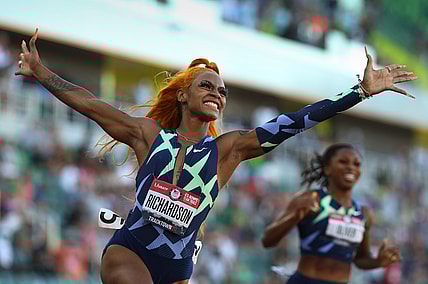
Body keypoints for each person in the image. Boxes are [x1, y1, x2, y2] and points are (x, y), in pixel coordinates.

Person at [15, 29, 416, 284]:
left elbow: (295, 122)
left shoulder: (228, 150)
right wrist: (41, 72)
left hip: (178, 269)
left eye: (223, 91)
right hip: (128, 253)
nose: (217, 93)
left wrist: (359, 93)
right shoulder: (149, 135)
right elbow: (91, 104)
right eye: (208, 85)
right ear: (184, 94)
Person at [262, 144, 401, 284]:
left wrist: (378, 261)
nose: (351, 167)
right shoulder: (310, 200)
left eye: (356, 164)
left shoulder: (363, 214)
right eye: (343, 161)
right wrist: (293, 217)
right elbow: (267, 240)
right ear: (328, 168)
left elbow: (360, 259)